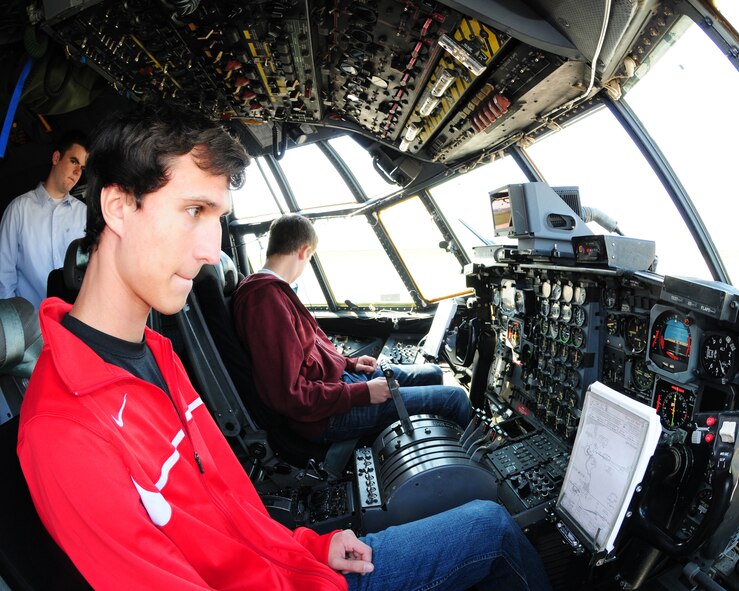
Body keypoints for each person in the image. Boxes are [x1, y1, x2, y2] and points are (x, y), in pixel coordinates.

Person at [18, 103, 551, 590]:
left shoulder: (157, 355)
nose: (210, 250)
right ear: (116, 206)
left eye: (218, 219)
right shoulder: (63, 431)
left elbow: (231, 511)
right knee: (493, 529)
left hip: (300, 569)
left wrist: (311, 546)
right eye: (192, 211)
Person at [232, 213, 473, 444]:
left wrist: (349, 363)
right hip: (325, 416)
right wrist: (364, 393)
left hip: (341, 384)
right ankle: (472, 477)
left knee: (431, 372)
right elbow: (289, 395)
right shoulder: (264, 300)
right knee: (456, 398)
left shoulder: (275, 292)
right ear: (305, 251)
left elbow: (308, 354)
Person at [0, 131, 89, 308]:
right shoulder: (19, 209)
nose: (78, 171)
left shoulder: (84, 214)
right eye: (73, 161)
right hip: (30, 326)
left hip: (70, 324)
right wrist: (15, 323)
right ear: (56, 158)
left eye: (83, 167)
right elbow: (4, 274)